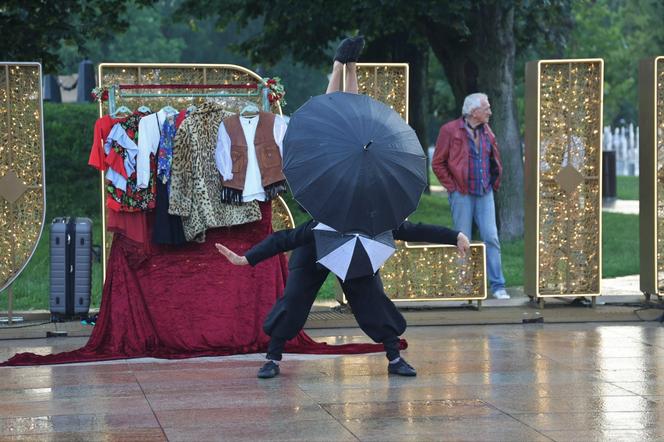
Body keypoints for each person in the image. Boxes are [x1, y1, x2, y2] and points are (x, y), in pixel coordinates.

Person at [217, 219, 470, 379]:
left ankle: (394, 358)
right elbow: (285, 239)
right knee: (294, 300)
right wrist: (247, 258)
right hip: (313, 253)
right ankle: (272, 359)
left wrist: (454, 236)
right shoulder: (322, 222)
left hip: (355, 254)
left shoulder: (373, 215)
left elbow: (407, 229)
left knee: (373, 300)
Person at [431, 93, 509, 300]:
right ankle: (465, 287)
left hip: (485, 192)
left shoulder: (487, 132)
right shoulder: (449, 131)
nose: (490, 112)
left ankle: (498, 286)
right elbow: (438, 163)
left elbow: (494, 159)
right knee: (462, 240)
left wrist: (494, 181)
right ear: (474, 112)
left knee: (491, 238)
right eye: (487, 108)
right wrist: (452, 187)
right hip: (462, 194)